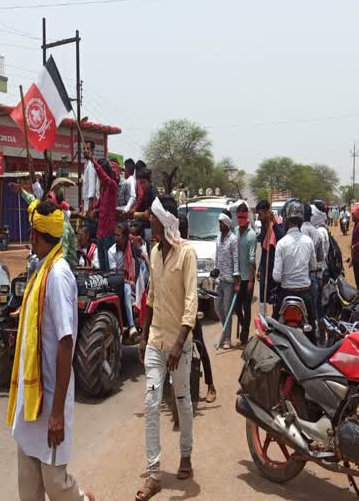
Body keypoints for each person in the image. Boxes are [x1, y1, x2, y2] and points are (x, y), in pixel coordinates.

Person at [7, 199, 95, 501]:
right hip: (31, 400)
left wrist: (57, 411)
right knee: (28, 483)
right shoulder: (41, 270)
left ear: (35, 235)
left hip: (49, 400)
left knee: (55, 482)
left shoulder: (57, 275)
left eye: (32, 232)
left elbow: (65, 342)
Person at [136, 195, 197, 501]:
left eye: (154, 220)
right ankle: (155, 473)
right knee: (150, 403)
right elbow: (151, 296)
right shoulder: (155, 252)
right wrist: (144, 335)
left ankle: (186, 455)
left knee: (183, 401)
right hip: (156, 341)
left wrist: (179, 343)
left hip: (179, 346)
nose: (151, 225)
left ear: (167, 221)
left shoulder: (187, 253)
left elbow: (191, 302)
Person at [178, 214, 216, 404]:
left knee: (199, 344)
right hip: (175, 306)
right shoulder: (173, 250)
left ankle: (210, 385)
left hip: (190, 304)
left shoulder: (189, 251)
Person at [272, 201, 317, 341]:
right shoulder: (308, 241)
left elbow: (277, 277)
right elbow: (314, 266)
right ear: (301, 220)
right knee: (311, 330)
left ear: (285, 219)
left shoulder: (281, 243)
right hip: (305, 293)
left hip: (286, 293)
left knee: (274, 330)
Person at [11, 182, 78, 269]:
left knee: (33, 265)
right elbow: (32, 200)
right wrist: (21, 191)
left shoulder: (61, 223)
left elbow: (63, 253)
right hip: (53, 257)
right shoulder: (47, 213)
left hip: (65, 261)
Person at [214, 210, 240, 349]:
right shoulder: (218, 238)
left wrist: (237, 281)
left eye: (221, 222)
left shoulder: (233, 239)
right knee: (217, 307)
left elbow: (236, 260)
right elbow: (217, 257)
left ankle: (227, 339)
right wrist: (214, 270)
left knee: (227, 309)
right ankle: (224, 332)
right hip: (219, 279)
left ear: (226, 224)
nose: (219, 225)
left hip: (230, 280)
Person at [256, 200, 285, 312]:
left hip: (276, 268)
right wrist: (259, 268)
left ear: (267, 212)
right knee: (263, 297)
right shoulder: (264, 226)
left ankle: (276, 320)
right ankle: (263, 320)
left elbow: (282, 239)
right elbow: (264, 249)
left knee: (275, 298)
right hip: (265, 268)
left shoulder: (279, 223)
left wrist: (273, 222)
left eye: (260, 214)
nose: (259, 218)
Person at [108, 223, 136, 336]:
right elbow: (115, 275)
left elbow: (141, 257)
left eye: (118, 235)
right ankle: (131, 325)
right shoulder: (111, 251)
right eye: (114, 235)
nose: (115, 238)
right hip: (120, 282)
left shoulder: (131, 247)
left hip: (133, 278)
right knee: (127, 289)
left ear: (124, 237)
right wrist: (129, 282)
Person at [90, 156, 118, 272]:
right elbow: (98, 204)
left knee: (108, 266)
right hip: (100, 232)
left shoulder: (112, 186)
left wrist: (93, 161)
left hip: (108, 232)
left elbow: (105, 178)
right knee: (102, 266)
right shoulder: (104, 190)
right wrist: (91, 208)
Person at [234, 203, 256, 346]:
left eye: (243, 216)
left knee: (246, 308)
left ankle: (245, 335)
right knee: (237, 307)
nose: (240, 219)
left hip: (247, 278)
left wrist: (251, 282)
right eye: (238, 216)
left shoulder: (251, 235)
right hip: (237, 277)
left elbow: (252, 260)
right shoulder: (235, 231)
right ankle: (243, 327)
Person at [301, 204, 325, 324]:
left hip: (298, 279)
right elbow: (321, 257)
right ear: (310, 216)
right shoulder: (317, 233)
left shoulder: (298, 232)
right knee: (314, 313)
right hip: (313, 277)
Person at [131, 167, 158, 242]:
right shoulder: (141, 192)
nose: (141, 185)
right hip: (143, 224)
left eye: (143, 182)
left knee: (149, 242)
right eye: (140, 183)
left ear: (149, 181)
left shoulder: (153, 192)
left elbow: (155, 207)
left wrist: (148, 212)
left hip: (152, 226)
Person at [81, 141, 98, 215]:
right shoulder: (86, 164)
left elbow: (91, 188)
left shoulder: (91, 165)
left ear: (92, 151)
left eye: (87, 148)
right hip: (86, 205)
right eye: (84, 148)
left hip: (90, 206)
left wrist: (89, 208)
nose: (85, 151)